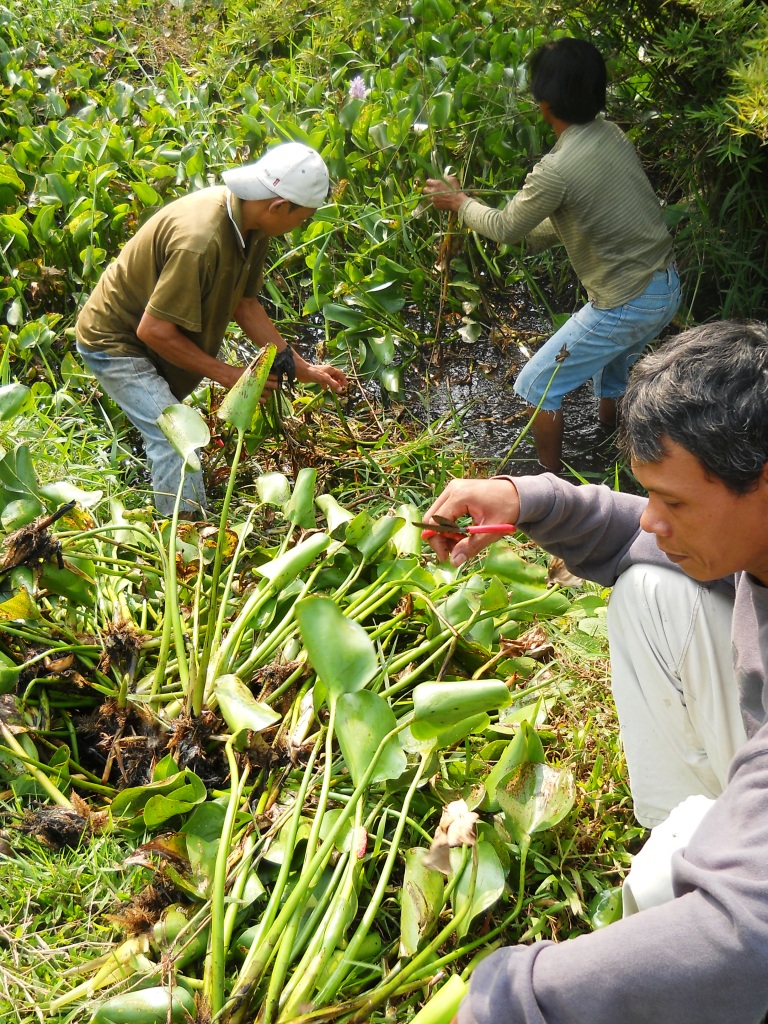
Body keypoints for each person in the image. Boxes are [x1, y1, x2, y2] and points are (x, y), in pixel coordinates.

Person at [422, 320, 768, 1023]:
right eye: (654, 497)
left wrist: (517, 998)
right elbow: (636, 528)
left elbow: (750, 940)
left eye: (675, 503)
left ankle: (694, 860)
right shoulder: (743, 531)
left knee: (701, 915)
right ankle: (687, 839)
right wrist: (526, 499)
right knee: (650, 585)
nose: (653, 521)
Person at [423, 38, 681, 474]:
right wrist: (534, 231)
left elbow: (505, 228)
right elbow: (584, 214)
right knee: (612, 373)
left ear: (544, 105)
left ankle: (553, 489)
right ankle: (613, 448)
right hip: (666, 286)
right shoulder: (610, 134)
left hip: (627, 301)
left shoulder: (554, 171)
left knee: (536, 385)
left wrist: (460, 203)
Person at [76, 142, 347, 516]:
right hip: (117, 343)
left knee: (163, 421)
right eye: (302, 219)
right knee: (177, 440)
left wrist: (302, 368)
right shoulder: (200, 242)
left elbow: (245, 305)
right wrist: (230, 375)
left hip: (153, 337)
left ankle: (149, 477)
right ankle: (185, 543)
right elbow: (153, 330)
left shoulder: (252, 224)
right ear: (279, 206)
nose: (299, 228)